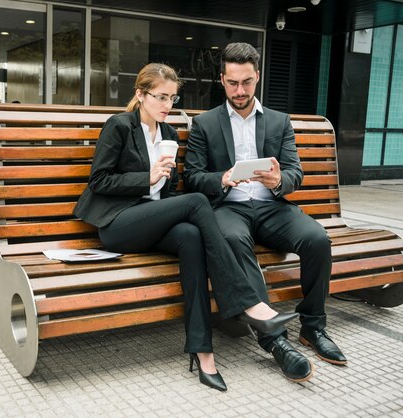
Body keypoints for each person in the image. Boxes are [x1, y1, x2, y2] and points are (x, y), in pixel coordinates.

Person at [74, 63, 297, 392]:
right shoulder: (119, 126)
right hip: (118, 223)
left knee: (192, 237)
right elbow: (99, 180)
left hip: (150, 219)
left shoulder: (168, 134)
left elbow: (169, 192)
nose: (167, 105)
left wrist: (164, 180)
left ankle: (202, 350)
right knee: (196, 202)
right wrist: (146, 177)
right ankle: (248, 302)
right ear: (140, 95)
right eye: (160, 97)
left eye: (172, 98)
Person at [183, 43, 347, 383]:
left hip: (272, 206)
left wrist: (278, 180)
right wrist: (223, 178)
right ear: (222, 80)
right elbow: (192, 177)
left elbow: (295, 174)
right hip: (229, 207)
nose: (239, 91)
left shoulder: (278, 121)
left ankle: (313, 328)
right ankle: (275, 342)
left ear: (257, 77)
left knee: (317, 239)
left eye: (246, 82)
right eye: (232, 83)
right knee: (233, 240)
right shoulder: (205, 124)